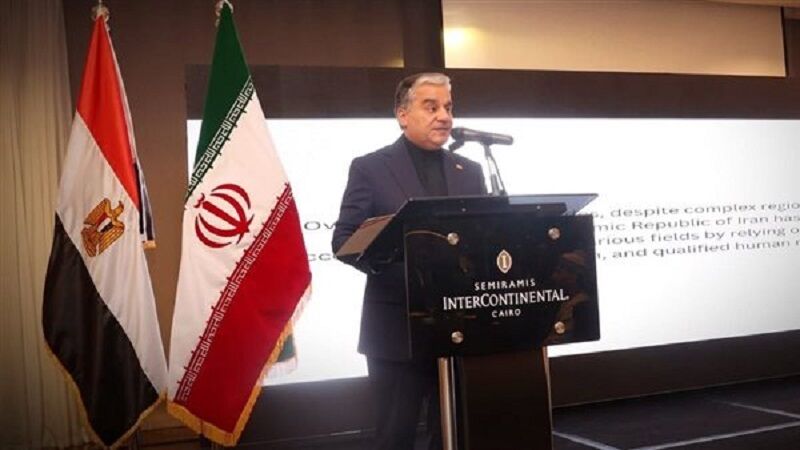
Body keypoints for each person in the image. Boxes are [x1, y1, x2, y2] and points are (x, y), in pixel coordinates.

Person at [332, 73, 487, 450]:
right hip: (396, 327)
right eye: (431, 107)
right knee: (395, 436)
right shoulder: (370, 167)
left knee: (453, 434)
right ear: (402, 115)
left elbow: (485, 238)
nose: (444, 116)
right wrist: (403, 263)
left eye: (448, 107)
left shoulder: (470, 171)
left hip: (459, 327)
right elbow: (344, 241)